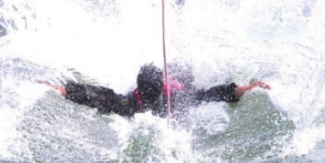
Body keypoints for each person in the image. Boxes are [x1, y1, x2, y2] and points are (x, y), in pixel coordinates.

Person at [41, 63, 270, 118]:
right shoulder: (132, 102)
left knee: (184, 70)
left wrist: (249, 88)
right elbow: (99, 96)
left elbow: (215, 93)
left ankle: (178, 8)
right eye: (148, 96)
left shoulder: (178, 97)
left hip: (179, 77)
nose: (151, 101)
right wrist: (61, 89)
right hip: (163, 79)